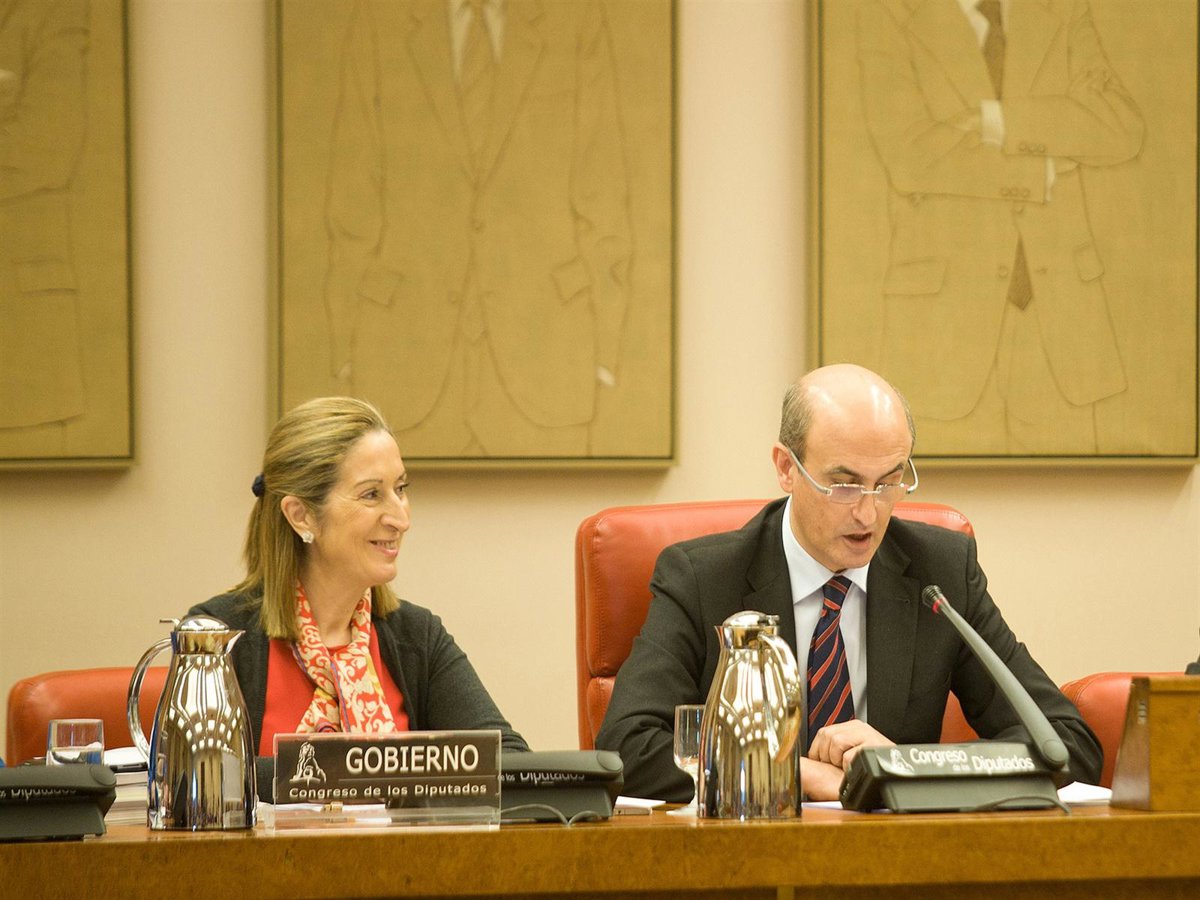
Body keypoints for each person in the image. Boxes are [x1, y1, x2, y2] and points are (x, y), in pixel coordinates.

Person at [595, 364, 1102, 801]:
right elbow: (625, 748)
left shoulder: (939, 574)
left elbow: (1066, 745)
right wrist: (792, 775)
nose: (868, 513)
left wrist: (903, 765)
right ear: (786, 468)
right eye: (844, 484)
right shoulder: (704, 580)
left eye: (889, 482)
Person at [323, 0, 632, 457]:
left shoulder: (575, 22)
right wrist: (342, 346)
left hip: (546, 355)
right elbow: (352, 197)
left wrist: (606, 350)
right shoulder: (379, 23)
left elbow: (603, 189)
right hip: (404, 357)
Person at [856, 0, 1143, 454]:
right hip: (942, 326)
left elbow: (1119, 126)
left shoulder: (1062, 9)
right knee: (927, 499)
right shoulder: (892, 13)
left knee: (1072, 493)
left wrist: (999, 121)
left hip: (1062, 320)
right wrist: (1040, 172)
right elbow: (909, 154)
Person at [188, 396, 528, 778]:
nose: (401, 519)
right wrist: (374, 773)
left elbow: (510, 764)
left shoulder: (417, 637)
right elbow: (201, 779)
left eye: (401, 488)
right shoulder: (216, 635)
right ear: (301, 515)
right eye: (371, 495)